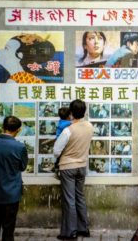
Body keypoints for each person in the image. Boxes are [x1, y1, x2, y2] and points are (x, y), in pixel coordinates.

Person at [53, 99, 94, 240]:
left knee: (69, 199)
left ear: (71, 112)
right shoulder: (89, 126)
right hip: (82, 166)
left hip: (68, 167)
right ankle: (83, 229)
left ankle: (70, 232)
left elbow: (56, 151)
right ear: (84, 111)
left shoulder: (68, 130)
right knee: (80, 197)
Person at [0, 116, 28, 241]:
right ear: (18, 130)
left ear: (3, 127)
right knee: (8, 230)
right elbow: (23, 167)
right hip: (12, 193)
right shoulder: (20, 147)